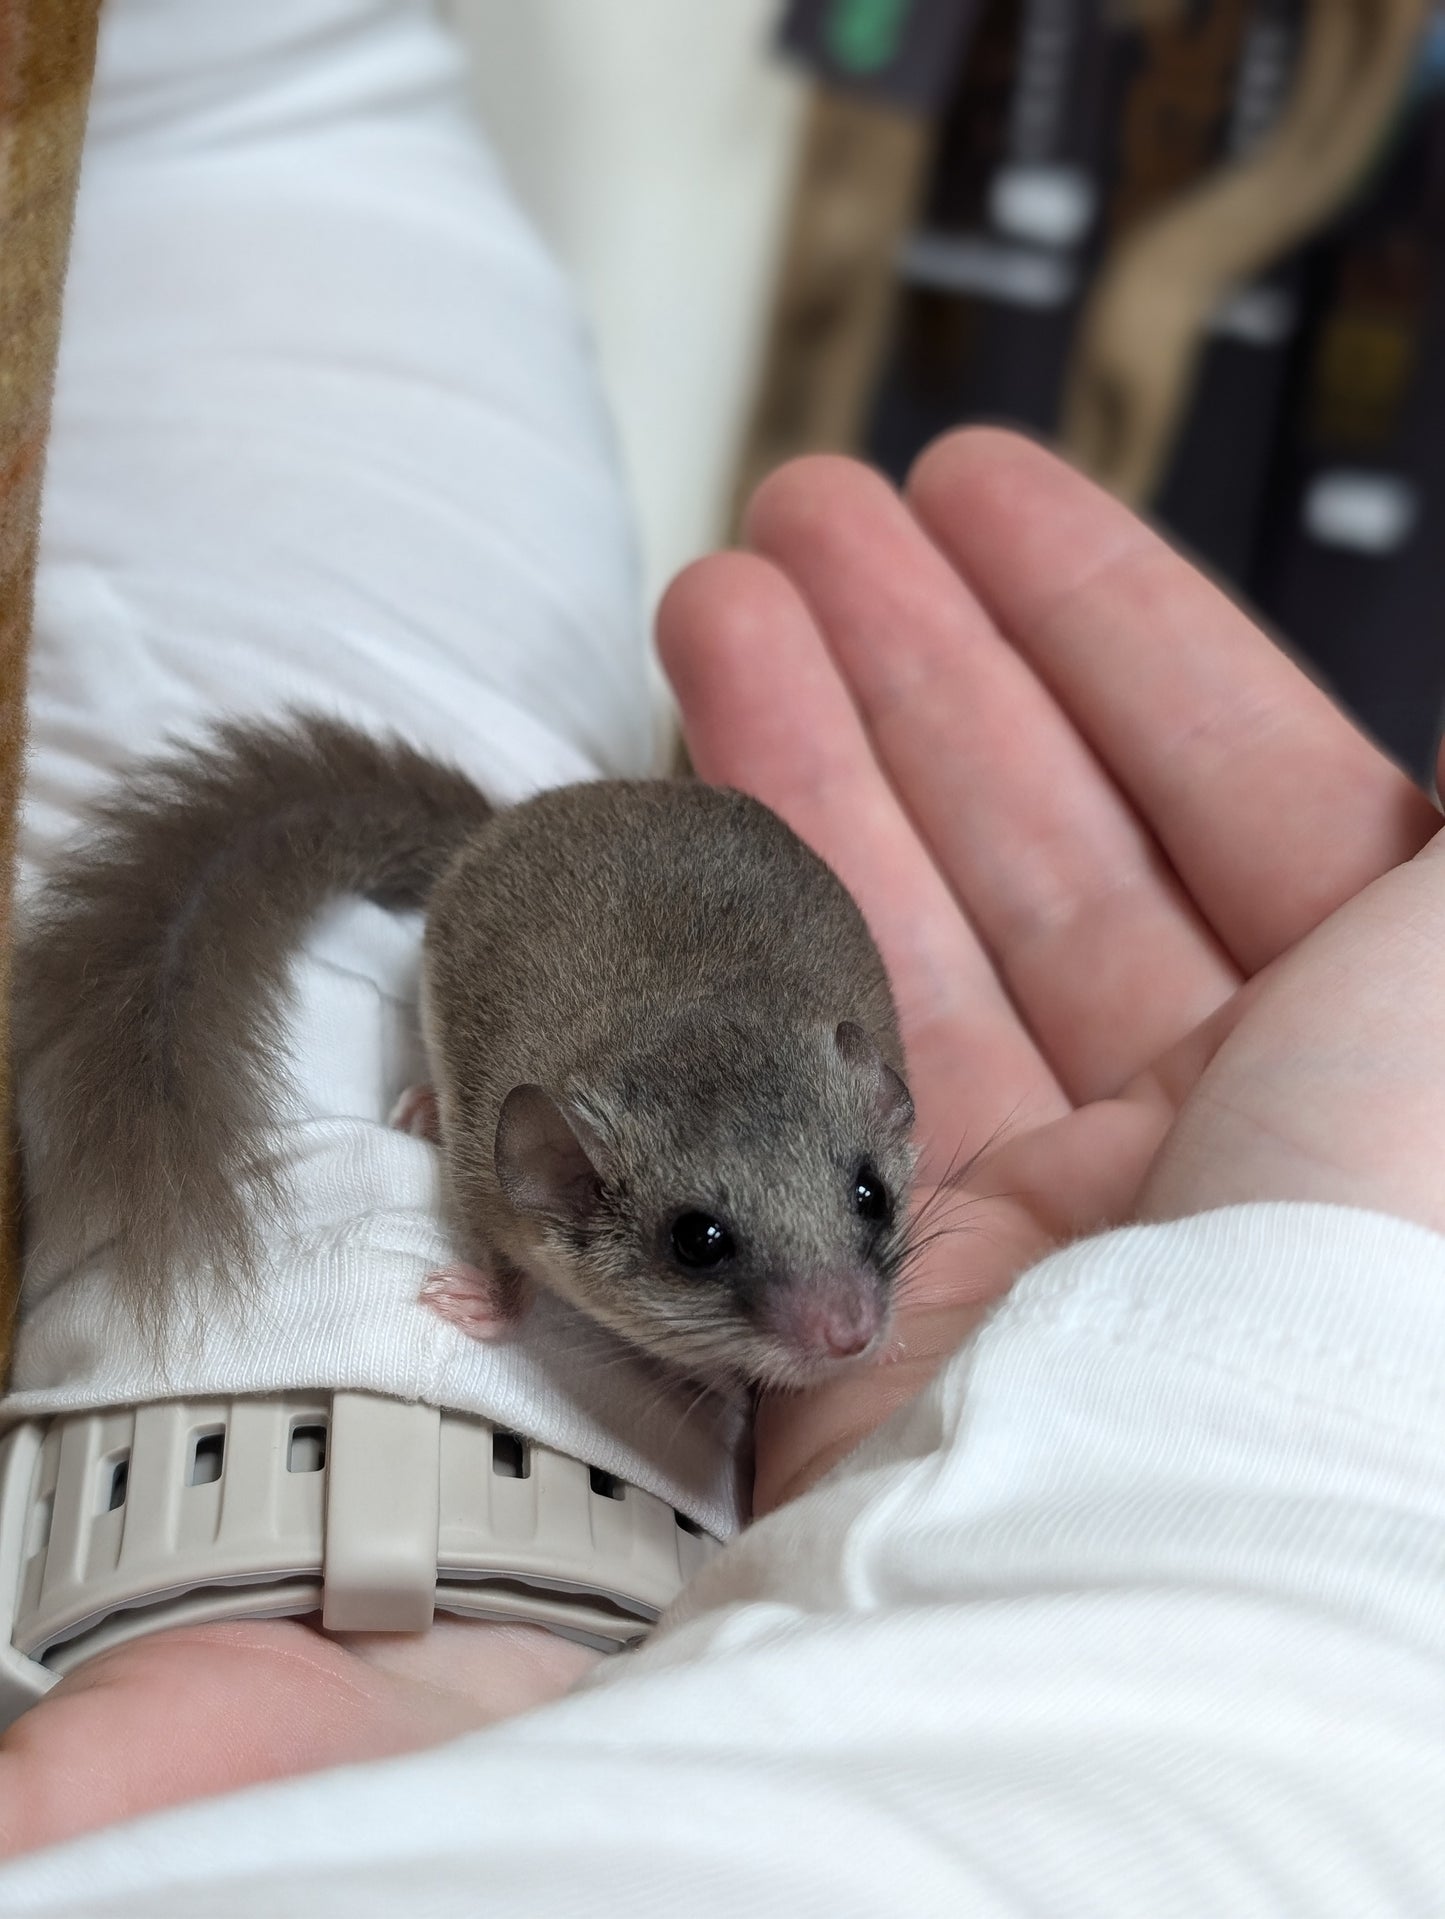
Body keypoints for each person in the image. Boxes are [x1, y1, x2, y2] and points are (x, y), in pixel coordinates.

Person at [3, 2, 1445, 1911]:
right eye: (703, 1249)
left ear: (887, 1110)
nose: (842, 1322)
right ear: (554, 1186)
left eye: (863, 1211)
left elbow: (252, 98)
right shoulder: (533, 1154)